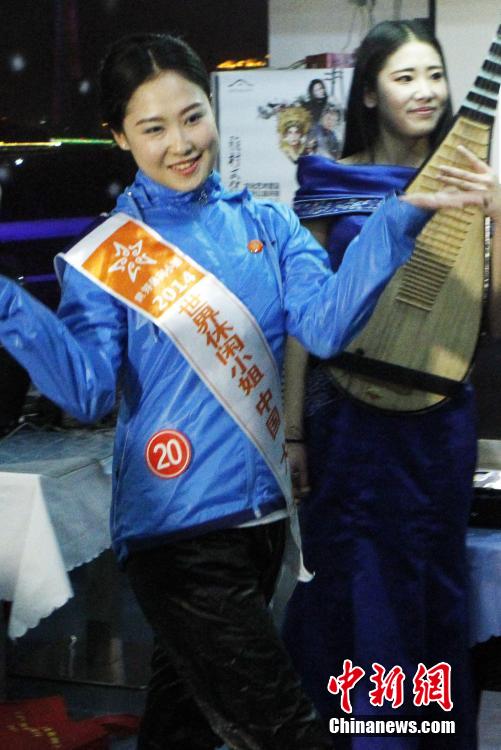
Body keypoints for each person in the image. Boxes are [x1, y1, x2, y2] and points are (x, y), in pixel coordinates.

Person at [0, 31, 492, 750]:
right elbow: (87, 390)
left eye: (192, 116)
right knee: (288, 731)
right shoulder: (113, 252)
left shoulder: (268, 222)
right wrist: (8, 305)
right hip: (176, 533)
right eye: (153, 128)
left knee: (184, 724)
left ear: (212, 108)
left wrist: (401, 215)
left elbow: (324, 328)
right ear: (119, 136)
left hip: (260, 523)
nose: (180, 143)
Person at [282, 19, 501, 750]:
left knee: (433, 587)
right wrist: (293, 431)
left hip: (439, 425)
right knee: (360, 590)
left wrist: (499, 215)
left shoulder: (469, 183)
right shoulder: (330, 180)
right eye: (404, 77)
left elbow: (493, 320)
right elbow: (303, 321)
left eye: (434, 75)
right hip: (350, 423)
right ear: (371, 94)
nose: (425, 91)